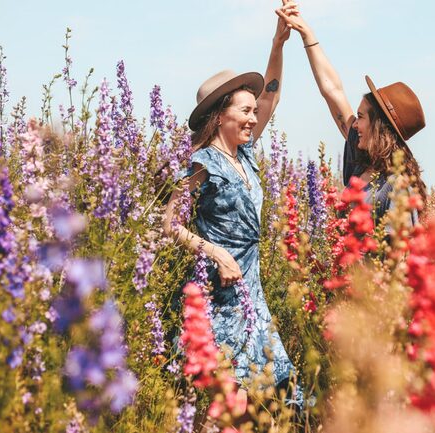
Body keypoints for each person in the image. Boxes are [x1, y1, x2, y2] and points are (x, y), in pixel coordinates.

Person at [163, 1, 303, 410]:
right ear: (221, 114)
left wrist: (279, 43)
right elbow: (169, 223)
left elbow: (271, 94)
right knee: (229, 404)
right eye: (244, 110)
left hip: (251, 290)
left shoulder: (245, 154)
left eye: (252, 112)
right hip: (219, 292)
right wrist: (214, 251)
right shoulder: (201, 163)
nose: (252, 117)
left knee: (268, 397)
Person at [276, 5, 427, 225]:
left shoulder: (396, 188)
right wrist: (307, 34)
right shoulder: (360, 161)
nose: (354, 124)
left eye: (361, 117)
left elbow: (397, 256)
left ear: (380, 127)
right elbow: (332, 91)